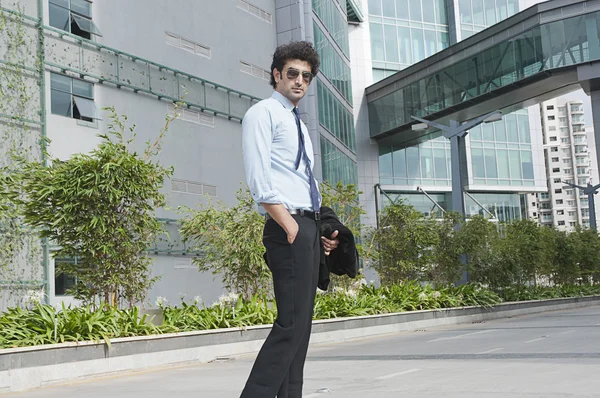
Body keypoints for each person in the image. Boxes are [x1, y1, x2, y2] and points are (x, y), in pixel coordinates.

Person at [240, 41, 339, 398]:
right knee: (290, 325)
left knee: (302, 328)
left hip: (307, 227)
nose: (300, 81)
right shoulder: (262, 113)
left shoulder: (297, 122)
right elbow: (258, 176)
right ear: (277, 75)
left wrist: (321, 227)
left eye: (307, 77)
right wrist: (290, 224)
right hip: (288, 227)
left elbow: (304, 180)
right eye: (293, 73)